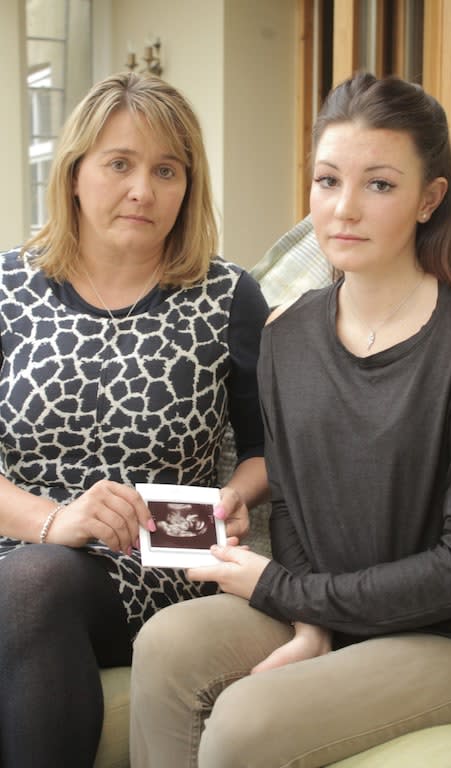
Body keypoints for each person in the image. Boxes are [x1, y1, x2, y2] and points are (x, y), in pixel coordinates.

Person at [130, 71, 451, 768]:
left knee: (245, 726)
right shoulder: (287, 333)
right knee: (165, 645)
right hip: (329, 603)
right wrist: (308, 615)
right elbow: (287, 505)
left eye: (379, 184)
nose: (344, 208)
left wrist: (284, 591)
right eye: (327, 181)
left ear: (428, 199)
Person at [0, 71, 270, 768]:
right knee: (28, 577)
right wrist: (55, 523)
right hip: (18, 544)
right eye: (119, 164)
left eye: (166, 170)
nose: (143, 190)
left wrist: (239, 493)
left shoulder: (229, 296)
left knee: (36, 584)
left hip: (149, 567)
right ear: (75, 173)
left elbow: (268, 449)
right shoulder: (8, 289)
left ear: (189, 185)